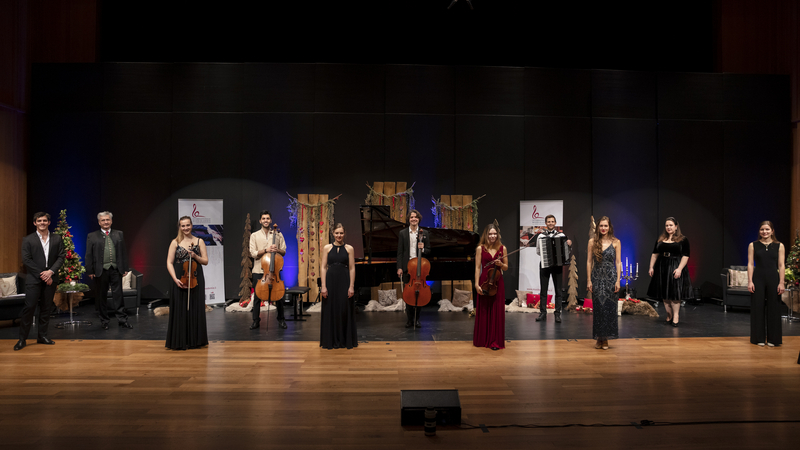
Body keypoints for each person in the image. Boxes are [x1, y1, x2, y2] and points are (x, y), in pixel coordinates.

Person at [15, 212, 66, 351]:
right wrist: (43, 274)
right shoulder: (28, 239)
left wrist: (51, 272)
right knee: (29, 307)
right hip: (34, 279)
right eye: (39, 220)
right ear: (35, 223)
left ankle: (42, 336)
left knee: (46, 309)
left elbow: (61, 257)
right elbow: (27, 260)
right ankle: (22, 339)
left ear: (49, 222)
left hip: (51, 278)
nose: (42, 223)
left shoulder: (57, 238)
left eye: (45, 220)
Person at [165, 216, 209, 350]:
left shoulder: (199, 241)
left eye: (188, 225)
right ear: (179, 227)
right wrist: (174, 278)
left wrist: (195, 256)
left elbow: (205, 261)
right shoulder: (175, 242)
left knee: (195, 307)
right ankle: (179, 340)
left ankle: (196, 340)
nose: (185, 228)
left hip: (196, 278)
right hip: (180, 278)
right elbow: (169, 262)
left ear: (192, 225)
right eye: (183, 226)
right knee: (180, 308)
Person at [86, 211, 132, 330]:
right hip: (100, 271)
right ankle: (104, 320)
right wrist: (90, 270)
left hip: (116, 269)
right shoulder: (92, 236)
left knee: (118, 296)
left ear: (111, 221)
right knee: (101, 297)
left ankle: (122, 320)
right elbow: (89, 254)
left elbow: (123, 252)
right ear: (99, 222)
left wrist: (125, 268)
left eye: (107, 220)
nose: (106, 222)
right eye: (103, 220)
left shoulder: (119, 234)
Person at [647, 217, 692, 327]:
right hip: (662, 266)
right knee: (664, 292)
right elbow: (654, 254)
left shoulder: (683, 239)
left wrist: (679, 269)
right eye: (667, 225)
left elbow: (686, 256)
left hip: (675, 266)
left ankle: (676, 316)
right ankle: (669, 315)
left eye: (671, 225)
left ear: (676, 226)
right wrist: (651, 267)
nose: (668, 227)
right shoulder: (661, 239)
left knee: (674, 293)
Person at [747, 221, 785, 347]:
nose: (765, 232)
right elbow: (750, 264)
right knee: (757, 307)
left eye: (767, 229)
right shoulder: (753, 245)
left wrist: (781, 282)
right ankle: (758, 338)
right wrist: (750, 281)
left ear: (772, 231)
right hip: (758, 278)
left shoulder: (779, 246)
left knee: (774, 308)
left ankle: (774, 339)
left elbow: (781, 265)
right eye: (762, 229)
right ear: (759, 231)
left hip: (773, 278)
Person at [319, 223, 358, 349]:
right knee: (330, 308)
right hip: (330, 280)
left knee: (344, 308)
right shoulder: (327, 248)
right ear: (333, 233)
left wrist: (351, 286)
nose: (339, 235)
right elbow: (323, 267)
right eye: (337, 233)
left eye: (341, 233)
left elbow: (352, 268)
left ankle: (344, 340)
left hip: (344, 280)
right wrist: (323, 286)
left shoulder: (349, 248)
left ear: (344, 234)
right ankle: (330, 340)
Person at [586, 216, 621, 350]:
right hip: (596, 276)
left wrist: (618, 280)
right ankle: (599, 338)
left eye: (606, 226)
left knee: (609, 308)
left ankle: (605, 338)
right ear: (598, 227)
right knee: (599, 308)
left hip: (611, 278)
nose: (603, 228)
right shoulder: (592, 241)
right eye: (601, 226)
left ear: (609, 227)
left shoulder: (616, 242)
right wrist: (589, 279)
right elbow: (589, 261)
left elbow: (618, 262)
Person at [249, 210, 287, 330]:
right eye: (263, 218)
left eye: (268, 218)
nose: (266, 220)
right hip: (258, 270)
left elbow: (284, 251)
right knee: (257, 297)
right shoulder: (254, 235)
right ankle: (256, 321)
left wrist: (277, 250)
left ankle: (281, 319)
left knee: (279, 296)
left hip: (274, 271)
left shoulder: (278, 234)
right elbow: (253, 253)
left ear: (270, 220)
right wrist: (266, 250)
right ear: (260, 221)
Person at [474, 223, 508, 350]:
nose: (492, 236)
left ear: (497, 235)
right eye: (490, 234)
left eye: (494, 234)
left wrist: (500, 264)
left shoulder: (502, 248)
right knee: (484, 310)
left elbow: (506, 267)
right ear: (486, 235)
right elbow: (478, 268)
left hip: (498, 282)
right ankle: (482, 339)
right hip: (484, 281)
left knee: (496, 310)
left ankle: (495, 341)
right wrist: (476, 284)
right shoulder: (480, 248)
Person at [534, 215, 572, 323]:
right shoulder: (541, 236)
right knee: (543, 290)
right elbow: (538, 252)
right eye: (548, 221)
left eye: (552, 221)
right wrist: (546, 255)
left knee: (558, 290)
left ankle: (557, 314)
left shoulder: (561, 235)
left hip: (557, 265)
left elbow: (566, 252)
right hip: (545, 265)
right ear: (546, 223)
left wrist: (569, 245)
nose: (550, 223)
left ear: (555, 223)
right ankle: (543, 313)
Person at [397, 209, 431, 328]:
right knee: (408, 295)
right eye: (411, 217)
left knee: (420, 294)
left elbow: (429, 250)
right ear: (409, 219)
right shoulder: (402, 233)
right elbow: (400, 252)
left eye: (415, 217)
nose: (413, 219)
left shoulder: (424, 233)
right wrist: (399, 267)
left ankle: (417, 319)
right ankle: (409, 320)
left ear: (419, 219)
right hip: (408, 267)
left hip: (420, 267)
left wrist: (423, 249)